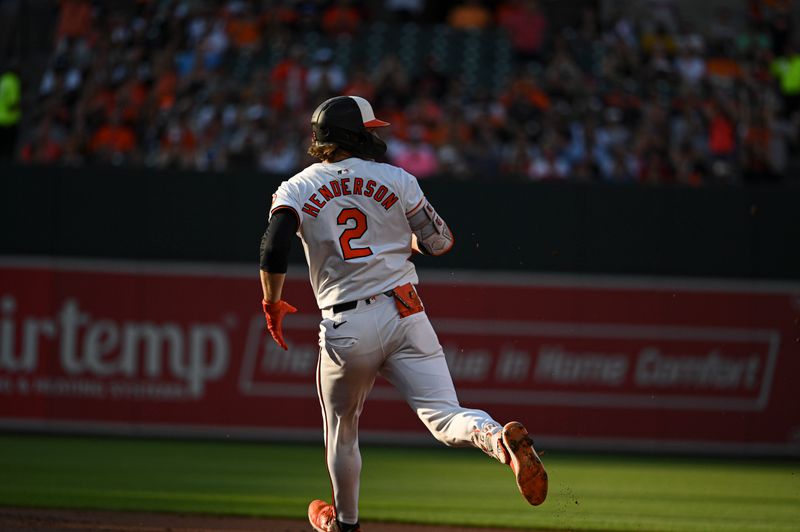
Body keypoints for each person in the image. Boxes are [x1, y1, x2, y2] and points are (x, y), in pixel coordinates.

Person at [258, 95, 548, 532]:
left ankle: (347, 523)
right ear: (352, 134)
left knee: (342, 431)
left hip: (346, 323)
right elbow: (440, 243)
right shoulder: (398, 179)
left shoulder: (297, 186)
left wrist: (272, 301)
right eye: (369, 129)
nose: (376, 135)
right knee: (445, 415)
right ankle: (494, 439)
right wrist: (396, 241)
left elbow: (274, 244)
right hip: (405, 312)